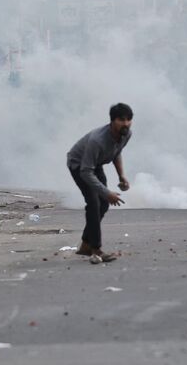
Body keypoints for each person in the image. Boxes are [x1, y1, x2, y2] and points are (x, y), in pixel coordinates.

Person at [67, 103, 133, 262]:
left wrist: (121, 176)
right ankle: (96, 250)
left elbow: (116, 152)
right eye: (121, 120)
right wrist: (107, 192)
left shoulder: (126, 134)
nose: (126, 123)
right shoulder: (98, 140)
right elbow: (85, 171)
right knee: (94, 203)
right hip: (79, 165)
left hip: (95, 165)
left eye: (129, 119)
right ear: (112, 121)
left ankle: (85, 245)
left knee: (103, 204)